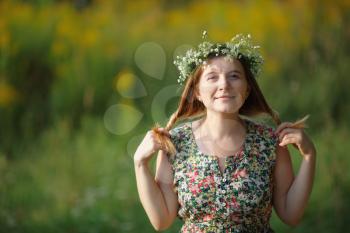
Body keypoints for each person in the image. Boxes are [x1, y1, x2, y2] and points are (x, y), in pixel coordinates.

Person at [134, 32, 316, 232]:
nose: (224, 85)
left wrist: (309, 156)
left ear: (247, 90)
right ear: (197, 92)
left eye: (234, 76)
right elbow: (161, 221)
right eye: (212, 77)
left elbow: (291, 215)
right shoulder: (175, 143)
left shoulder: (271, 143)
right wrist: (140, 163)